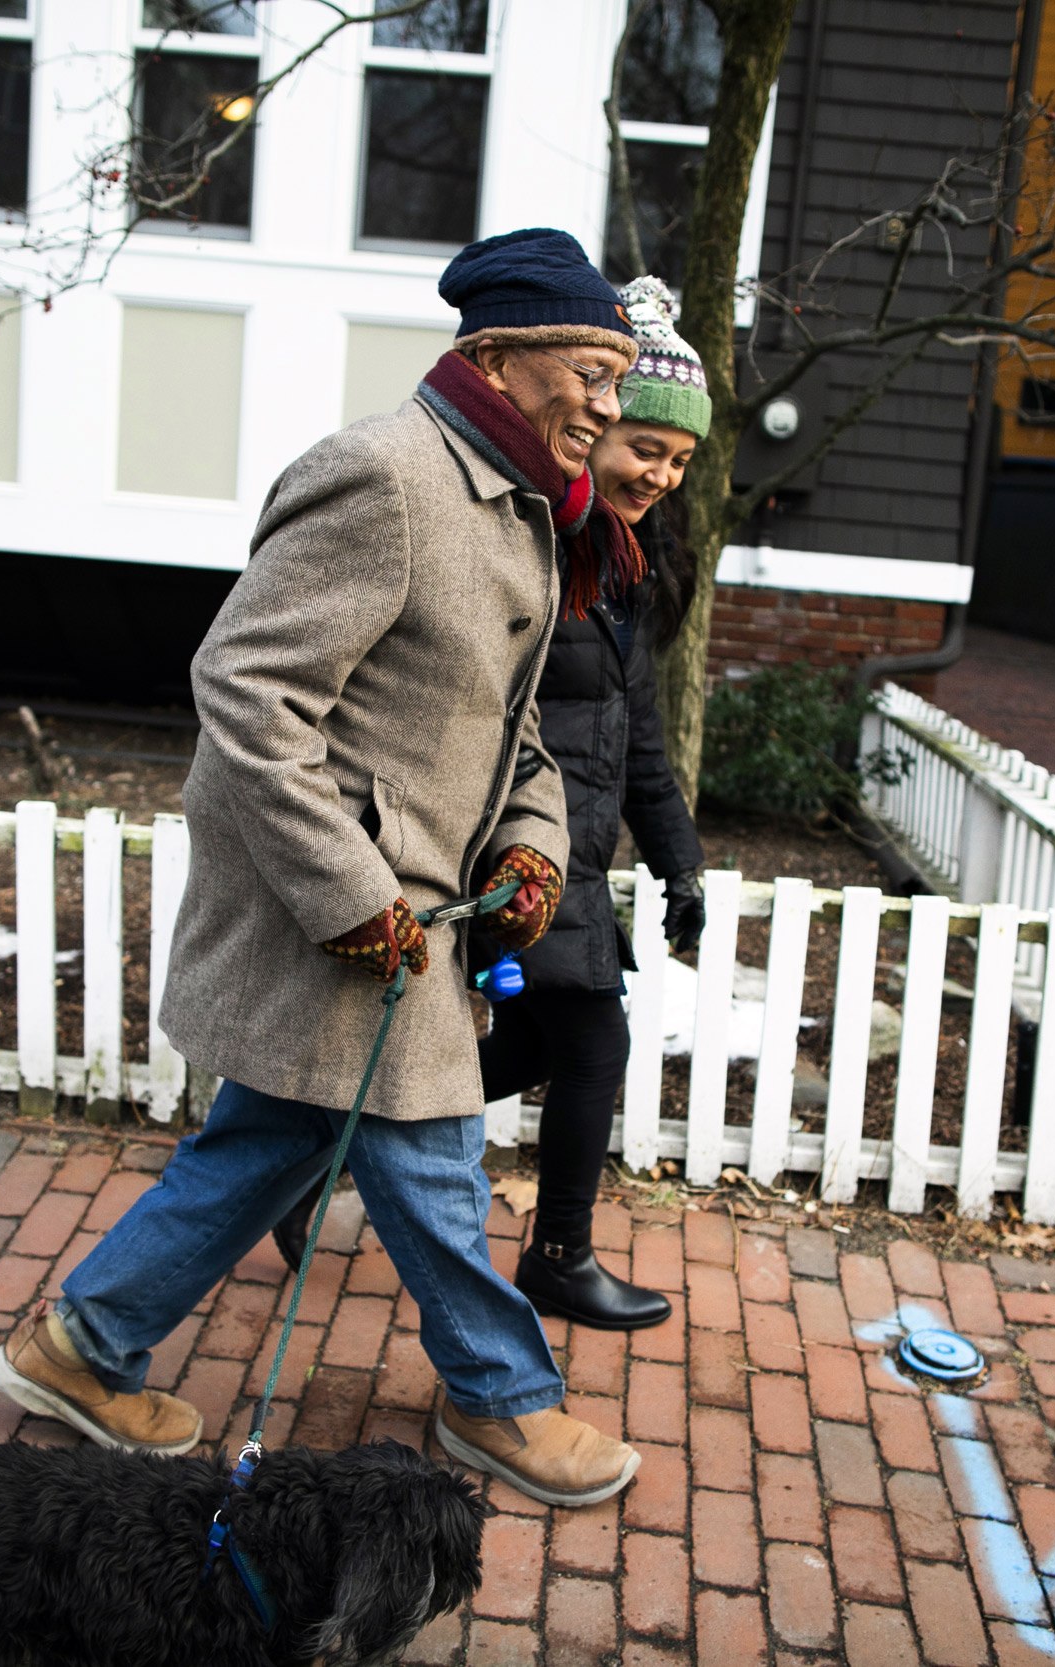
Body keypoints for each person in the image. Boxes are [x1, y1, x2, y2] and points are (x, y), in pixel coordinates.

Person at [0, 227, 645, 1510]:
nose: (609, 409)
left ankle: (76, 1347)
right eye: (590, 373)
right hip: (343, 917)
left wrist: (530, 842)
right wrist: (350, 898)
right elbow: (246, 695)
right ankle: (499, 1398)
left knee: (267, 1141)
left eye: (619, 380)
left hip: (413, 914)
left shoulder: (516, 506)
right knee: (433, 1154)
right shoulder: (384, 476)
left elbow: (508, 732)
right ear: (498, 358)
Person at [273, 275, 711, 1331]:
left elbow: (637, 736)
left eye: (679, 460)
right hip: (514, 843)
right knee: (588, 1043)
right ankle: (556, 1255)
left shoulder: (620, 569)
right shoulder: (529, 546)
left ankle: (318, 1162)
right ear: (590, 426)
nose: (657, 470)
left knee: (520, 1049)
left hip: (576, 852)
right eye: (643, 443)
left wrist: (679, 854)